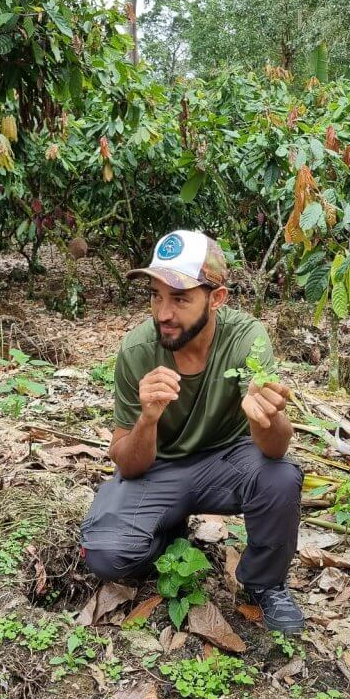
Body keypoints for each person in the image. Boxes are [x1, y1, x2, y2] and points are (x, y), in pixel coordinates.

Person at [80, 230, 304, 634]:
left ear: (216, 298)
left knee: (280, 477)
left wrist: (264, 417)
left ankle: (264, 583)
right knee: (105, 555)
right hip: (158, 468)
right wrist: (147, 419)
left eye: (180, 298)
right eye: (155, 295)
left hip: (227, 459)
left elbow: (275, 448)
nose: (163, 313)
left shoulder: (245, 340)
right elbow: (127, 464)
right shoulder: (137, 351)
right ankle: (165, 532)